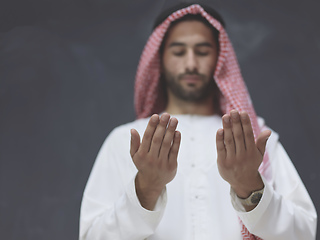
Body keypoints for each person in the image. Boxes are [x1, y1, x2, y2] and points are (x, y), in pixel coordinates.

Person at [79, 3, 317, 240]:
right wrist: (145, 189)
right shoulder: (126, 141)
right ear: (159, 60)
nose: (191, 63)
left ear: (220, 60)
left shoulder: (252, 141)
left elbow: (303, 233)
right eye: (179, 52)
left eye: (202, 52)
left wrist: (250, 186)